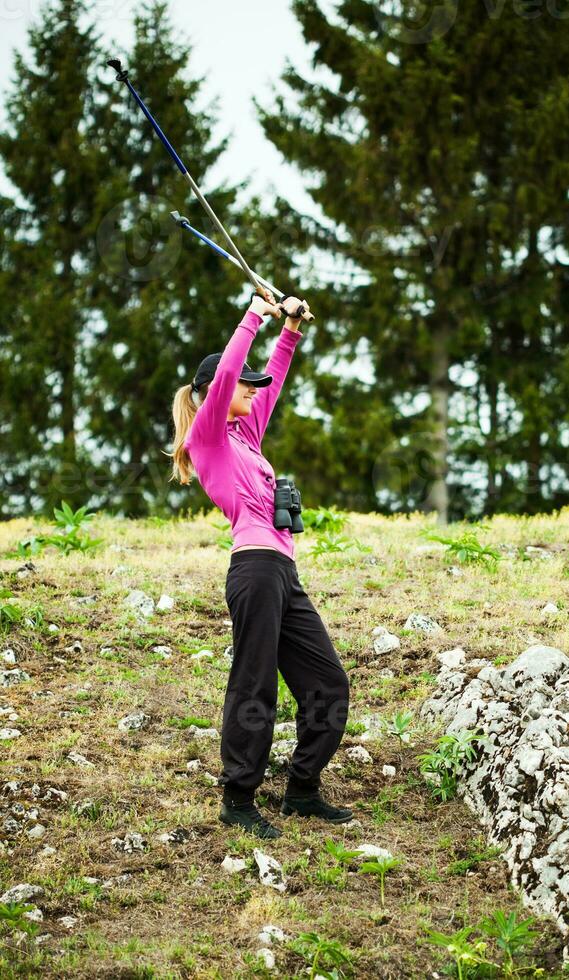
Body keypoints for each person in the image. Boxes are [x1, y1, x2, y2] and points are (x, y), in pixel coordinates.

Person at [168, 290, 352, 838]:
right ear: (211, 395)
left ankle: (301, 790)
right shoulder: (207, 439)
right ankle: (239, 798)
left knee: (327, 685)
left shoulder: (244, 436)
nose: (252, 387)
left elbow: (270, 379)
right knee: (255, 685)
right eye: (243, 384)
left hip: (283, 572)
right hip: (253, 569)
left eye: (253, 383)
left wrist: (290, 329)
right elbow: (228, 374)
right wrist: (254, 314)